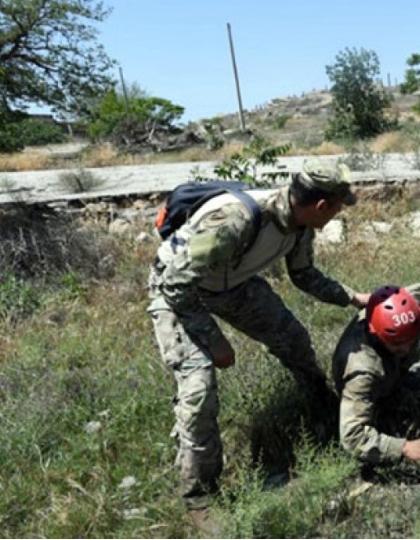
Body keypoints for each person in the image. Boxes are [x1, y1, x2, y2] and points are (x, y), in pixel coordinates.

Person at [146, 160, 371, 519]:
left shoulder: (300, 224)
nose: (337, 213)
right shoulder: (238, 219)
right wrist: (214, 339)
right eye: (339, 206)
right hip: (177, 291)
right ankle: (199, 496)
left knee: (293, 340)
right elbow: (176, 283)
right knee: (198, 387)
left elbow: (304, 275)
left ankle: (324, 407)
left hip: (230, 284)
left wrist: (352, 297)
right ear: (323, 206)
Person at [333, 281, 420, 466]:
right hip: (376, 395)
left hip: (396, 376)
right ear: (376, 334)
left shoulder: (401, 305)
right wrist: (404, 448)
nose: (406, 348)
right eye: (397, 344)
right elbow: (352, 437)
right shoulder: (363, 372)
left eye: (411, 340)